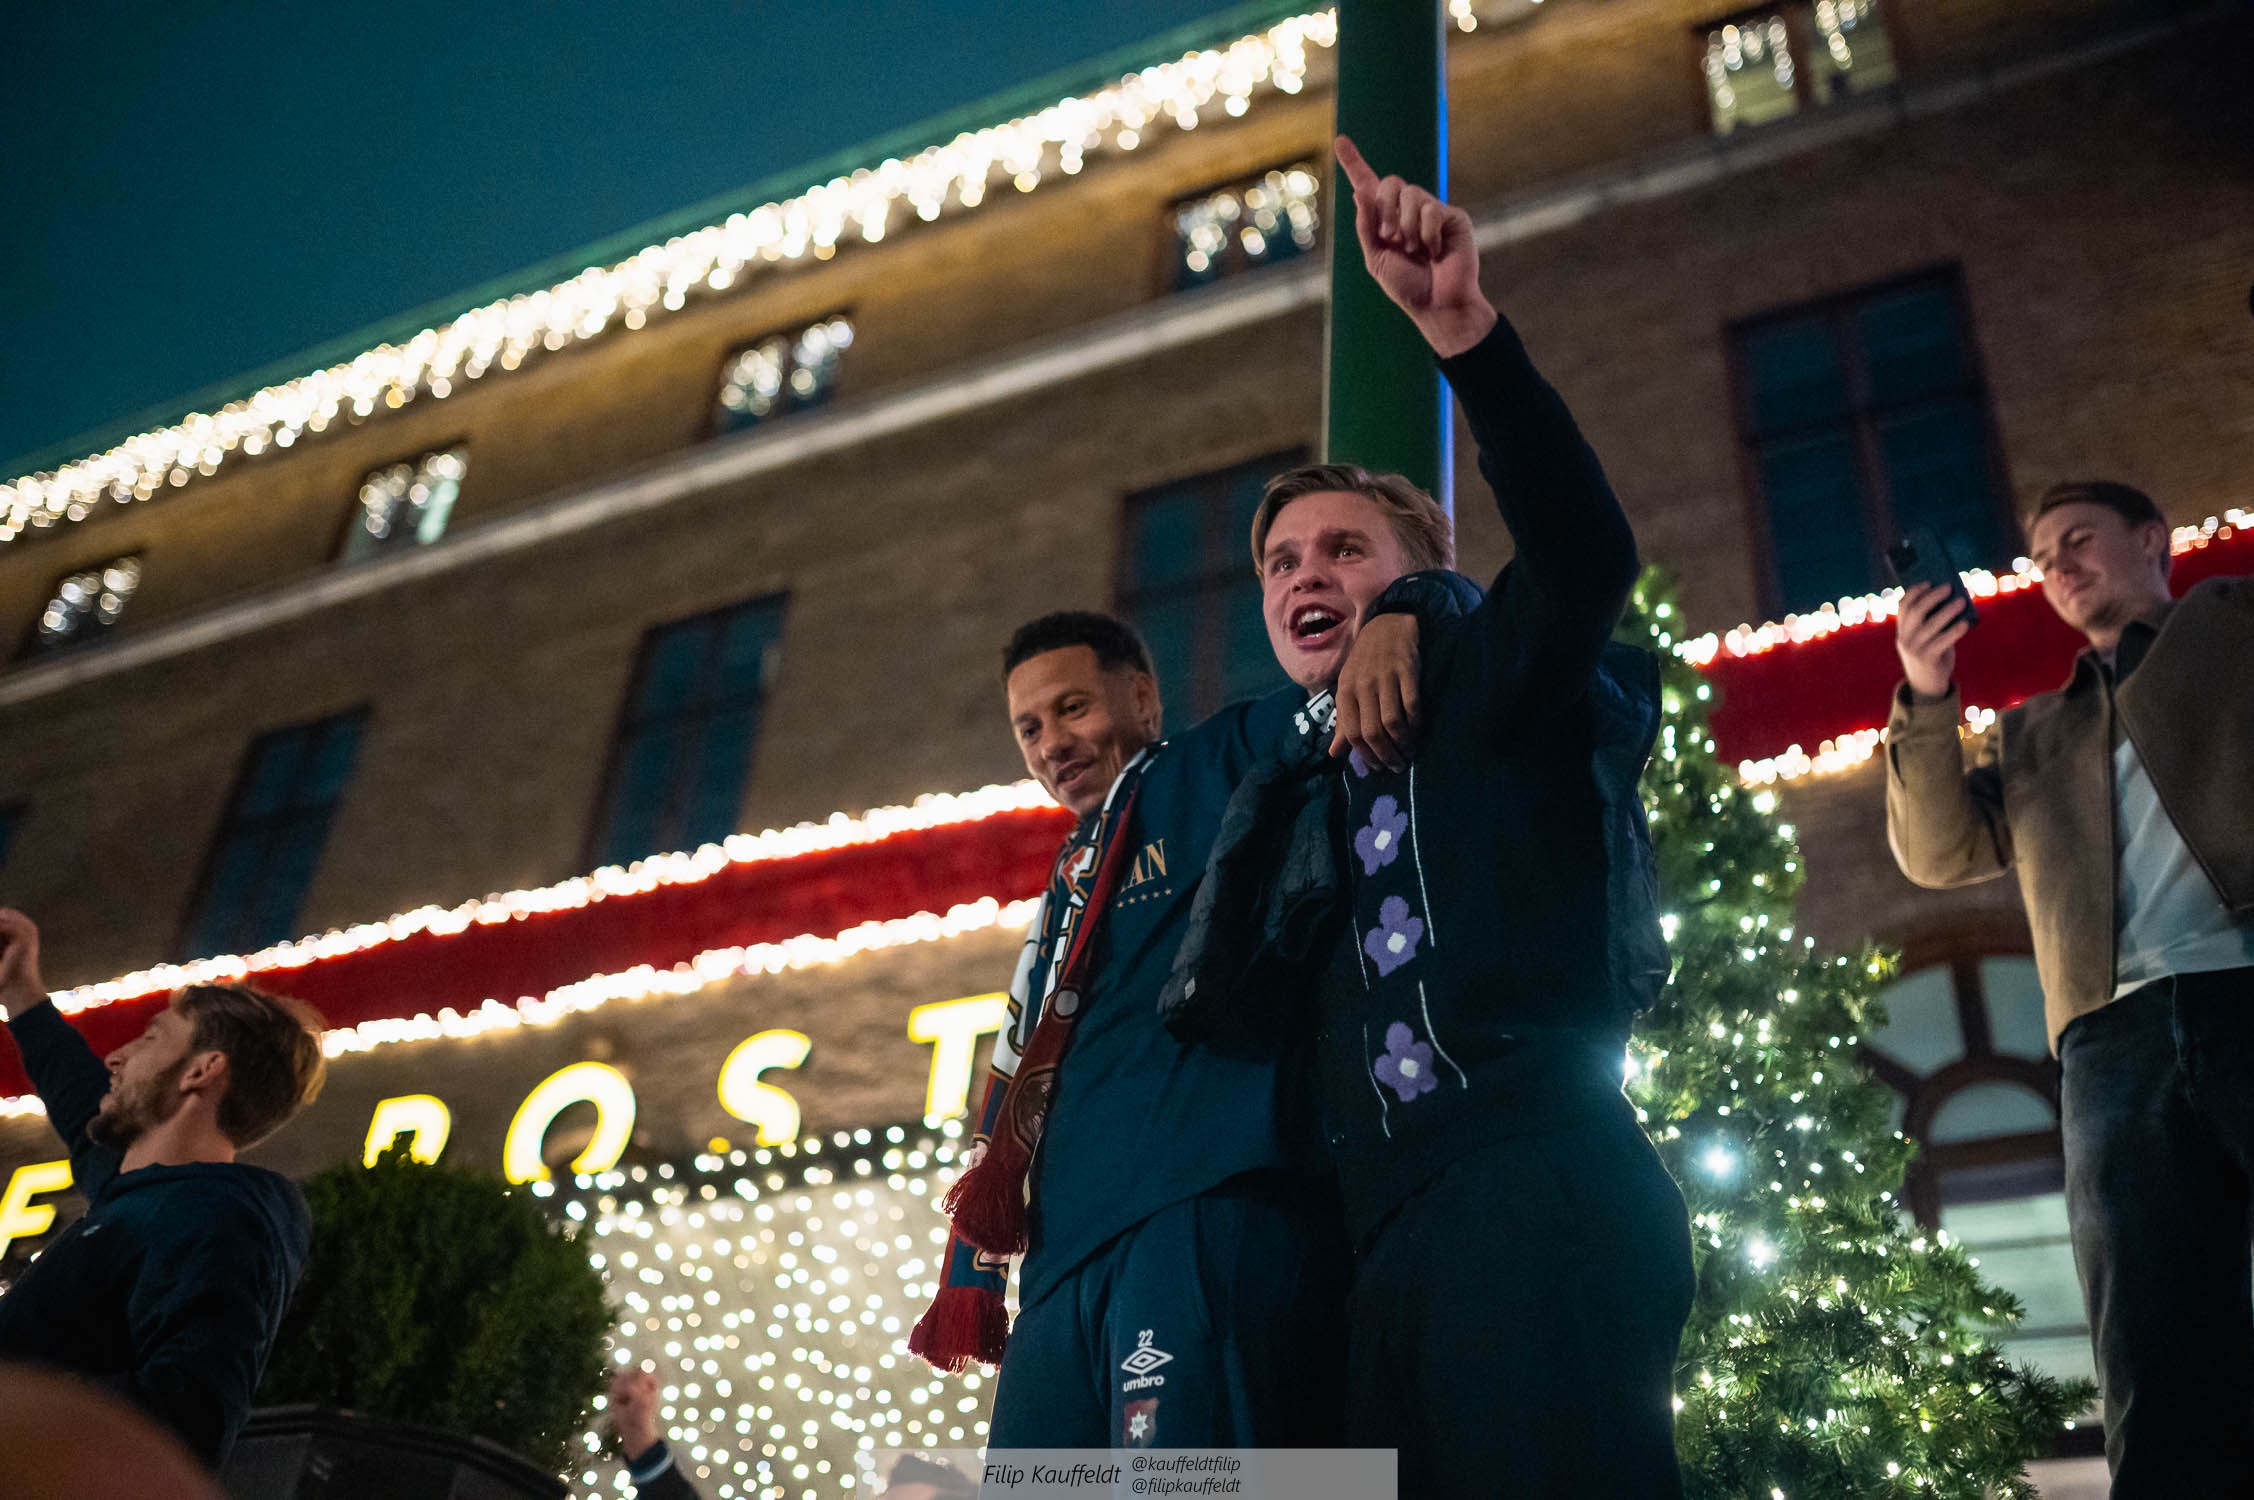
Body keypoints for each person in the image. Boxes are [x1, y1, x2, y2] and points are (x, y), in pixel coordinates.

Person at [1171, 136, 1690, 1494]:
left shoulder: (1484, 681)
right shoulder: (1276, 799)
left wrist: (1462, 330)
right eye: (1281, 560)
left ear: (1419, 572)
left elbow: (1581, 553)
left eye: (1347, 549)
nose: (1305, 574)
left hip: (1535, 1188)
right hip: (1378, 1249)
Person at [911, 608, 1436, 1448]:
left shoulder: (1216, 760)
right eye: (1029, 728)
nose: (1053, 743)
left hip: (1202, 1200)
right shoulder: (1068, 880)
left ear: (1144, 699)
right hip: (1061, 1255)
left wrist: (1404, 609)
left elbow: (1348, 686)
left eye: (1073, 708)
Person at [1885, 479, 2254, 1495]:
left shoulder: (2228, 626)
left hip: (2243, 987)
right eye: (2044, 559)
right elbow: (1938, 851)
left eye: (2080, 539)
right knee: (2153, 1350)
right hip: (2111, 1043)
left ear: (2152, 539)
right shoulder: (2036, 732)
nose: (2060, 567)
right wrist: (1925, 688)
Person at [0, 908, 326, 1469]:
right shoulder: (137, 1191)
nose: (116, 1057)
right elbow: (74, 1083)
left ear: (201, 1071)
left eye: (151, 1038)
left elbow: (186, 1421)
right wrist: (19, 988)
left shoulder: (217, 1218)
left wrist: (24, 1408)